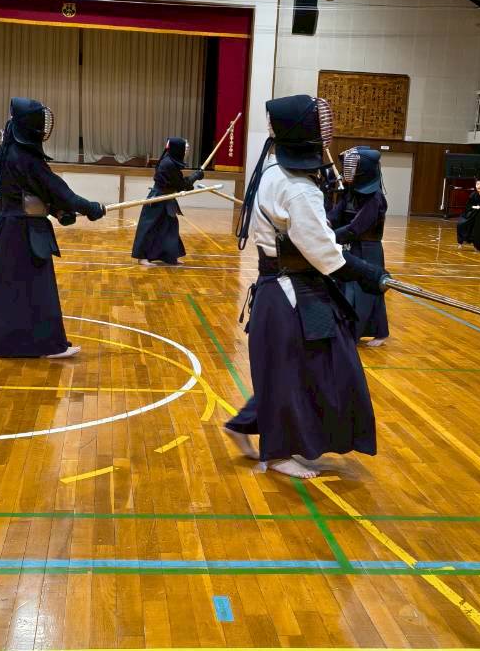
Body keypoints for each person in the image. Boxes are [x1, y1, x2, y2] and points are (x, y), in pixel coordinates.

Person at [223, 94, 393, 479]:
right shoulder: (298, 188)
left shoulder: (272, 171)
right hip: (293, 293)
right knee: (317, 367)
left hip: (280, 289)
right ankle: (279, 453)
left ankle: (248, 425)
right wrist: (371, 275)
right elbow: (325, 255)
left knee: (292, 369)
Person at [0, 98, 106, 359]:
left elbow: (35, 192)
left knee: (12, 290)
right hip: (23, 233)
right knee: (37, 292)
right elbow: (58, 190)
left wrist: (57, 211)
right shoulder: (25, 158)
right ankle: (47, 345)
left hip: (13, 230)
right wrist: (91, 208)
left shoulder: (12, 152)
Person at [327, 145, 389, 346]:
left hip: (368, 249)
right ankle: (378, 331)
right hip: (351, 247)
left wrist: (329, 237)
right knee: (352, 288)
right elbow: (336, 214)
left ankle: (353, 334)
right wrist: (323, 224)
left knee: (366, 292)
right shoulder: (350, 193)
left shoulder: (375, 198)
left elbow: (356, 228)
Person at [131, 137, 204, 266]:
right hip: (158, 199)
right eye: (185, 148)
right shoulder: (168, 163)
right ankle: (142, 257)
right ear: (178, 149)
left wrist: (194, 177)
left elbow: (179, 184)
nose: (187, 151)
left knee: (170, 227)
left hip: (167, 198)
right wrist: (195, 176)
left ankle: (168, 256)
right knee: (149, 228)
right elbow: (181, 185)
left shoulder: (171, 160)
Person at [456, 178, 480, 253]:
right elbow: (468, 206)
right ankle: (461, 241)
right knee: (460, 224)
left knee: (477, 229)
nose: (478, 186)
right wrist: (474, 207)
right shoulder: (473, 194)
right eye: (477, 184)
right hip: (472, 214)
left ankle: (477, 247)